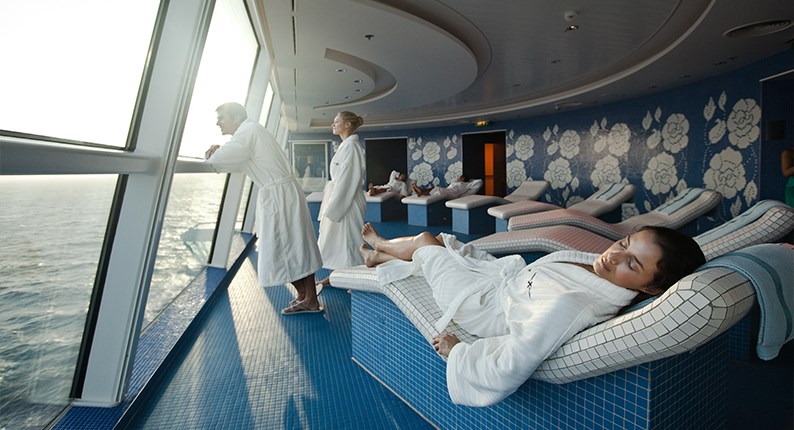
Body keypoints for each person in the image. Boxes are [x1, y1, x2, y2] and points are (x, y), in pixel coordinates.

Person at [358, 222, 705, 406]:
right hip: (499, 284)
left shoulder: (570, 305)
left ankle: (382, 245)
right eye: (624, 244)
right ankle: (380, 257)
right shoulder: (601, 274)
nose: (613, 256)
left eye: (632, 263)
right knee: (440, 246)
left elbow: (511, 364)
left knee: (425, 240)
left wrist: (459, 351)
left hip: (477, 306)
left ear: (651, 289)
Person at [205, 102, 324, 315]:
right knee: (293, 245)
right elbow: (236, 162)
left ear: (237, 118)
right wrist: (219, 152)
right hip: (281, 193)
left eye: (222, 117)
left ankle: (310, 299)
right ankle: (306, 297)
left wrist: (213, 153)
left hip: (280, 196)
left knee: (290, 246)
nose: (217, 122)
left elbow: (219, 160)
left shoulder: (247, 132)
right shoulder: (251, 132)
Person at [316, 111, 367, 285]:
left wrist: (334, 208)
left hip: (347, 201)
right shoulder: (345, 146)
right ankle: (334, 276)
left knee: (350, 240)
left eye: (336, 121)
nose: (333, 124)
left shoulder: (352, 147)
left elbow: (347, 180)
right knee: (337, 241)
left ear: (347, 125)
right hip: (340, 199)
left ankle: (356, 279)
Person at [411, 175, 476, 198]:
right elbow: (452, 184)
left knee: (437, 189)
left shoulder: (465, 184)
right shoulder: (456, 182)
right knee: (435, 188)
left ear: (463, 178)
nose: (458, 178)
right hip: (448, 190)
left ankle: (421, 192)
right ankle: (421, 191)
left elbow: (479, 182)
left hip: (453, 193)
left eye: (460, 177)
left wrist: (471, 181)